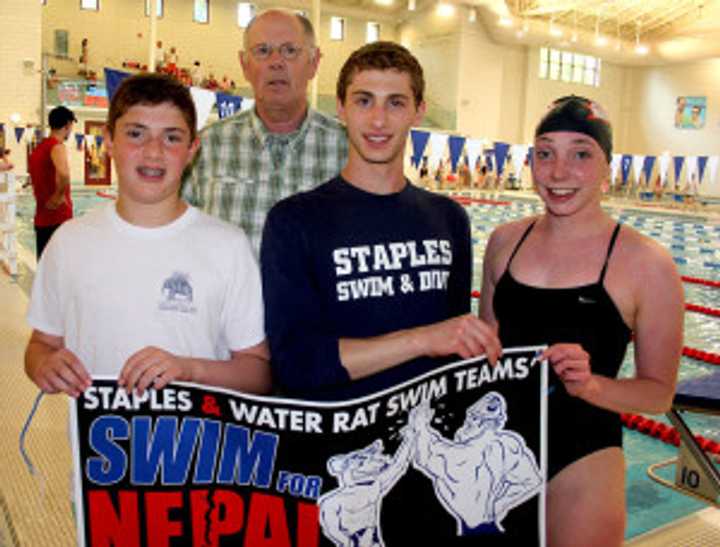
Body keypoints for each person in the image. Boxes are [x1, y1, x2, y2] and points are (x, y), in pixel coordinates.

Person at [479, 96, 684, 547]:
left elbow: (657, 392)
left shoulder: (646, 263)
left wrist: (592, 386)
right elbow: (487, 356)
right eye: (545, 152)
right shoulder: (503, 242)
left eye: (581, 154)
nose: (557, 172)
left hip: (583, 455)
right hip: (496, 450)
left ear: (607, 167)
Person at [261, 41, 500, 402]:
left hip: (424, 444)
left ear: (418, 112)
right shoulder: (295, 221)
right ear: (340, 107)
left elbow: (456, 350)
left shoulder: (449, 219)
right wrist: (421, 340)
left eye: (396, 103)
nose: (378, 120)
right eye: (363, 100)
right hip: (332, 446)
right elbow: (297, 364)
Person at [25, 73, 271, 400]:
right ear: (109, 140)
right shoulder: (69, 244)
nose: (153, 152)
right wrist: (44, 364)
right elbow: (41, 345)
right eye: (136, 134)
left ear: (192, 149)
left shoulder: (228, 246)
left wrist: (188, 370)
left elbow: (258, 373)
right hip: (100, 448)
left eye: (171, 138)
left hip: (202, 447)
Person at [182, 9, 348, 254]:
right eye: (262, 51)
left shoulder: (348, 150)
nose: (276, 62)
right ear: (244, 65)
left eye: (290, 50)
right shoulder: (205, 148)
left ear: (314, 63)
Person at [28, 105, 76, 259]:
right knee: (61, 271)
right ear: (67, 125)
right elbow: (64, 174)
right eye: (71, 126)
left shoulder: (39, 148)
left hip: (42, 219)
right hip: (58, 218)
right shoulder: (57, 146)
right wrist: (58, 195)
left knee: (44, 269)